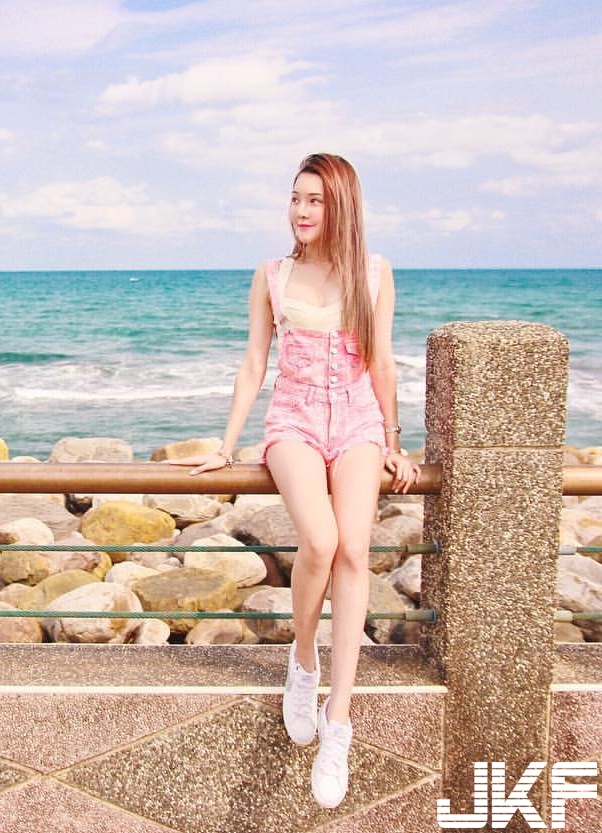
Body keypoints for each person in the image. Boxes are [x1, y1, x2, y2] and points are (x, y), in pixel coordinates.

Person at [169, 153, 420, 809]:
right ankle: (302, 659)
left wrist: (395, 443)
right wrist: (225, 446)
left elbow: (382, 363)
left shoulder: (375, 272)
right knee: (320, 540)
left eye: (315, 200)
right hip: (294, 422)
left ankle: (339, 721)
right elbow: (255, 362)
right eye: (295, 198)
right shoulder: (272, 275)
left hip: (359, 422)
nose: (301, 211)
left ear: (341, 207)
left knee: (355, 550)